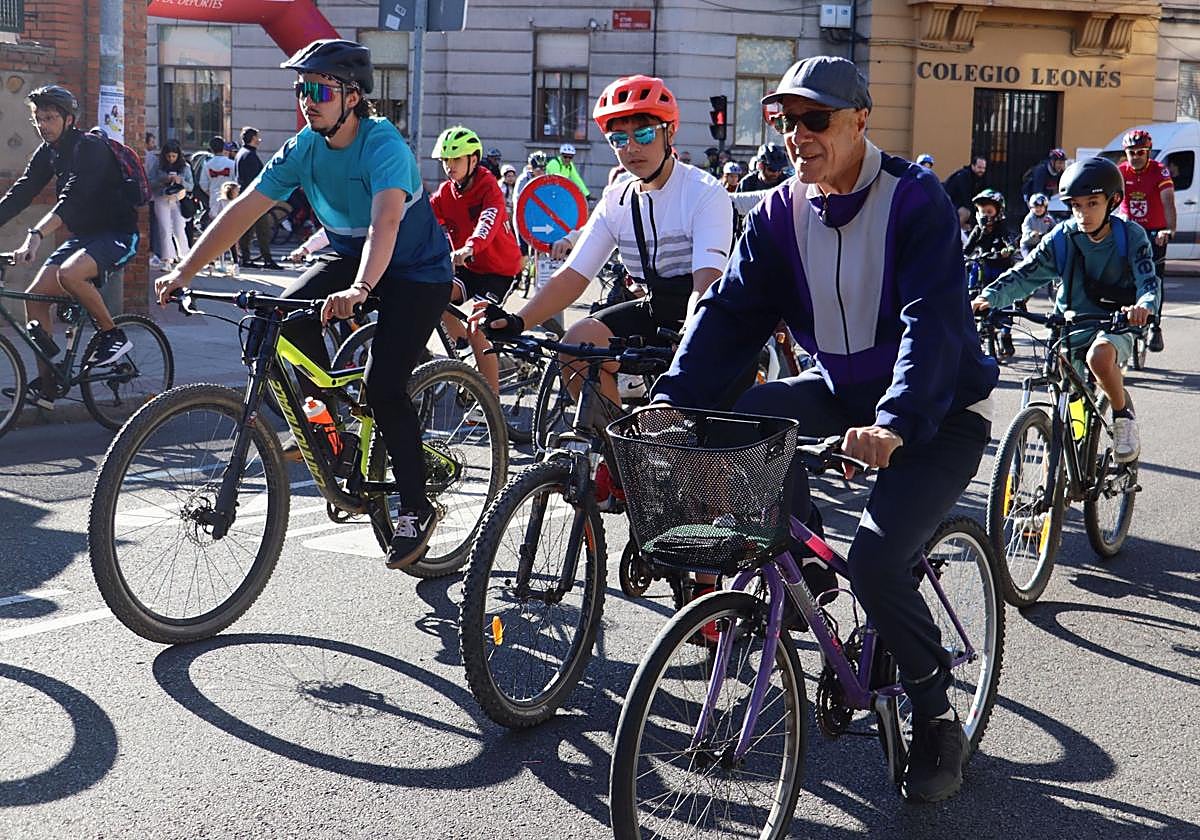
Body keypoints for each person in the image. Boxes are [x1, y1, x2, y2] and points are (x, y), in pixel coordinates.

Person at [650, 55, 999, 804]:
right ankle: (801, 555)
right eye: (785, 120)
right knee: (744, 423)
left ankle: (938, 715)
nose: (797, 136)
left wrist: (897, 423)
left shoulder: (915, 200)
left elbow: (931, 323)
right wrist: (673, 400)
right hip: (842, 393)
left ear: (860, 120)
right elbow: (731, 314)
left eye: (816, 120)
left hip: (937, 411)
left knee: (875, 562)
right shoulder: (779, 211)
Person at [154, 38, 454, 569]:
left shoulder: (385, 146)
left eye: (319, 89)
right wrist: (185, 269)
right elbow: (245, 210)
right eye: (301, 89)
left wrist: (361, 290)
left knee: (385, 388)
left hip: (414, 271)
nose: (306, 100)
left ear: (353, 96)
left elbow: (386, 222)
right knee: (272, 325)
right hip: (349, 256)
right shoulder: (303, 148)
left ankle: (415, 505)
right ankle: (326, 427)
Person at [474, 73, 733, 414]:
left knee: (697, 448)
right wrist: (519, 321)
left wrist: (690, 332)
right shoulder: (617, 198)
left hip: (709, 319)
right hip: (656, 312)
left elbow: (707, 281)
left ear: (669, 131)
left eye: (643, 134)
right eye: (618, 139)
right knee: (575, 346)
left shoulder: (704, 191)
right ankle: (616, 453)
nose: (631, 148)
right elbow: (573, 275)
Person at [973, 157, 1157, 462]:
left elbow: (1148, 282)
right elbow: (1025, 274)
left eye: (1093, 203)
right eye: (1076, 206)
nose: (1083, 214)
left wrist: (1143, 306)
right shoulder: (1062, 237)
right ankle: (1067, 459)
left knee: (1098, 358)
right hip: (1069, 324)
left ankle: (1123, 417)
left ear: (1112, 201)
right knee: (1071, 395)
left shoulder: (1130, 236)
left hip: (1116, 322)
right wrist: (988, 297)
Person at [0, 85, 139, 409]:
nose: (43, 125)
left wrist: (35, 235)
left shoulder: (89, 148)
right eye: (38, 119)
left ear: (68, 119)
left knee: (70, 274)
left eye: (49, 118)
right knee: (35, 299)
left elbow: (71, 201)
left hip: (118, 233)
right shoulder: (49, 152)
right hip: (84, 238)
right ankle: (49, 387)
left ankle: (112, 335)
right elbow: (22, 192)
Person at [429, 125, 524, 399]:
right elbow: (425, 220)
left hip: (500, 271)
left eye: (456, 159)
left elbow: (488, 221)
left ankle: (489, 401)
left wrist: (469, 247)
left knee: (478, 326)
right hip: (470, 269)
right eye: (445, 160)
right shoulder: (446, 192)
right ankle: (464, 347)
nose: (449, 166)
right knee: (433, 293)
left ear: (473, 159)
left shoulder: (488, 185)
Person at [1117, 128, 1173, 352]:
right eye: (1131, 152)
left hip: (1155, 231)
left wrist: (1168, 229)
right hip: (1130, 229)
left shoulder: (1160, 171)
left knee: (1155, 278)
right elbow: (1110, 199)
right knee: (1121, 273)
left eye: (1140, 152)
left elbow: (1168, 200)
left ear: (1148, 152)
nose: (1136, 156)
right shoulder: (1120, 172)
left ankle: (1155, 325)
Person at [963, 188, 1018, 357]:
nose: (985, 215)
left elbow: (1009, 240)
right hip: (982, 267)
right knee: (971, 282)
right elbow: (967, 249)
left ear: (998, 211)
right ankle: (972, 317)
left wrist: (1008, 249)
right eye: (981, 211)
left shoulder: (1002, 227)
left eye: (989, 211)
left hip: (1000, 268)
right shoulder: (978, 230)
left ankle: (1005, 335)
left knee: (1006, 301)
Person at [235, 126, 282, 269]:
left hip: (246, 195)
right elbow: (257, 178)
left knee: (248, 230)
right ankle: (266, 259)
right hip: (254, 197)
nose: (259, 140)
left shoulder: (242, 153)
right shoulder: (250, 155)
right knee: (262, 230)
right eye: (257, 137)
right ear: (252, 138)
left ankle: (247, 258)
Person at [147, 139, 194, 268]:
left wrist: (181, 181)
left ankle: (185, 256)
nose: (171, 159)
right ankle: (167, 258)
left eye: (174, 156)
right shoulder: (158, 165)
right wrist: (163, 180)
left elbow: (191, 186)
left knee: (179, 227)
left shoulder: (185, 167)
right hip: (161, 197)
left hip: (178, 199)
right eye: (168, 156)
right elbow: (150, 182)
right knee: (164, 228)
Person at [198, 136, 237, 224]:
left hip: (214, 199)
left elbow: (203, 184)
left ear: (211, 149)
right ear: (223, 147)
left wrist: (211, 192)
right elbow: (236, 181)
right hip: (230, 198)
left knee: (216, 226)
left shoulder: (207, 165)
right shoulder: (232, 164)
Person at [943, 154, 988, 228]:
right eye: (979, 167)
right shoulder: (963, 176)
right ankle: (952, 232)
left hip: (957, 205)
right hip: (948, 204)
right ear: (973, 166)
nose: (982, 170)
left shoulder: (978, 178)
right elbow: (966, 198)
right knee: (965, 212)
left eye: (984, 168)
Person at [1020, 193, 1055, 258]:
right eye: (1036, 207)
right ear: (1031, 208)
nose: (1039, 209)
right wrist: (1031, 233)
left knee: (1048, 257)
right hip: (1028, 245)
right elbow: (1025, 227)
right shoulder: (1029, 218)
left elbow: (1054, 227)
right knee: (1028, 260)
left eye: (1041, 207)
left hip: (1040, 244)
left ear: (1045, 207)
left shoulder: (1048, 218)